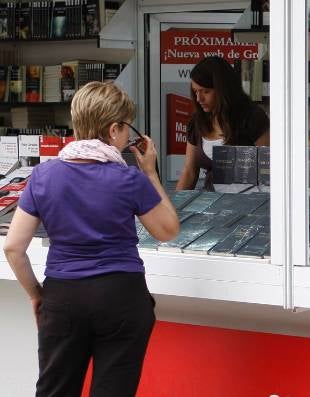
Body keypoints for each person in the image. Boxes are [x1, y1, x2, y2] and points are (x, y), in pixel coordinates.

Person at [3, 81, 179, 397]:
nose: (128, 138)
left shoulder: (44, 176)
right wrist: (150, 173)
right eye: (127, 129)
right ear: (113, 130)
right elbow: (168, 230)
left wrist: (36, 295)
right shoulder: (128, 178)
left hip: (63, 297)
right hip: (122, 297)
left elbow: (13, 247)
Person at [176, 56, 270, 191]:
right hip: (210, 203)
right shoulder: (197, 122)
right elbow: (189, 171)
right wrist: (173, 208)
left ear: (223, 89)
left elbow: (267, 168)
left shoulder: (252, 117)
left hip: (248, 203)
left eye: (206, 91)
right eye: (196, 92)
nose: (199, 98)